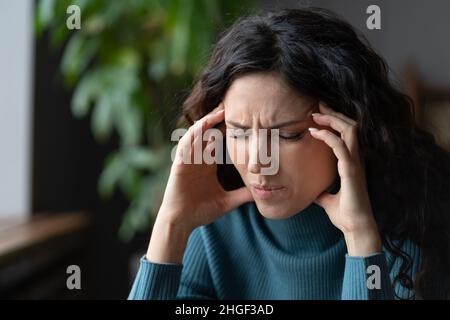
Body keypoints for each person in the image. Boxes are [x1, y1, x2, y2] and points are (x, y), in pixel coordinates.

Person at [128, 8, 450, 300]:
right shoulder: (216, 232)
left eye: (288, 135)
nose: (257, 161)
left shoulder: (409, 229)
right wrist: (171, 224)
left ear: (346, 128)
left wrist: (360, 235)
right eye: (239, 132)